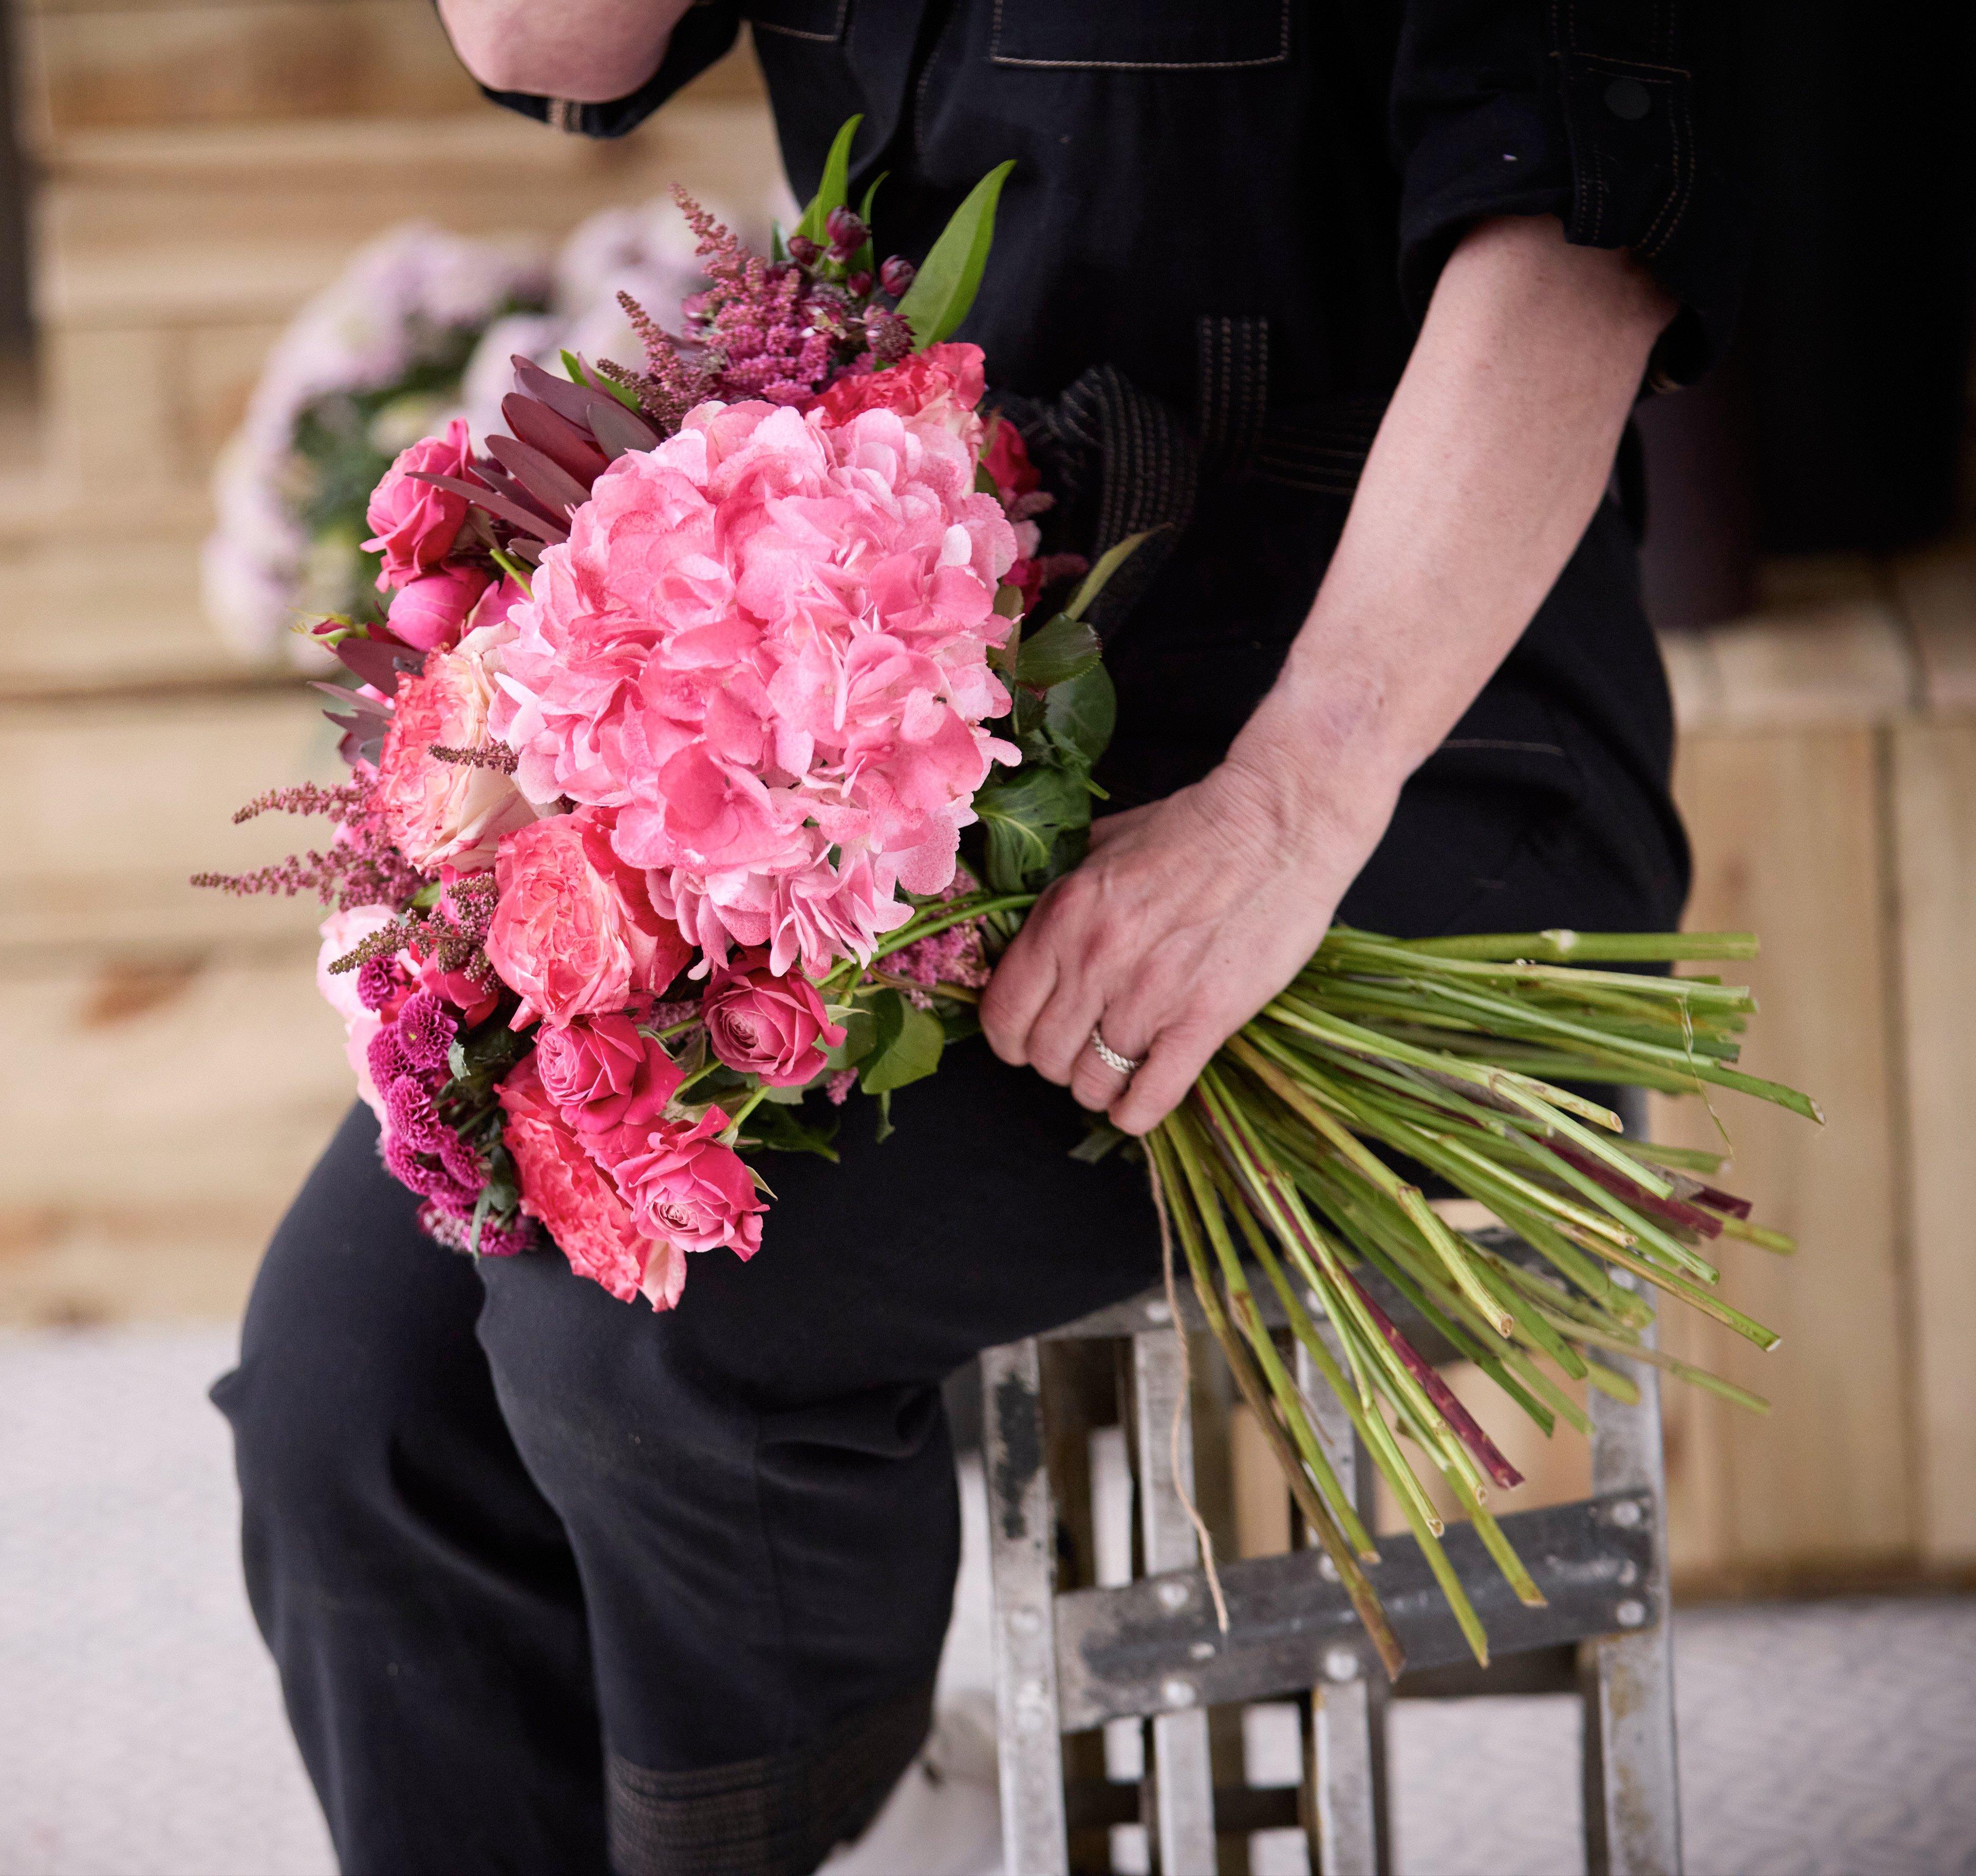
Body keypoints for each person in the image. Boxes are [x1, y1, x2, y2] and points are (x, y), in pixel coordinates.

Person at [213, 3, 1735, 1870]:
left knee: (658, 1330)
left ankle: (819, 1835)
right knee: (351, 1395)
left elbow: (1582, 233)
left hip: (1396, 743)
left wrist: (1290, 806)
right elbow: (558, 35)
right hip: (893, 682)